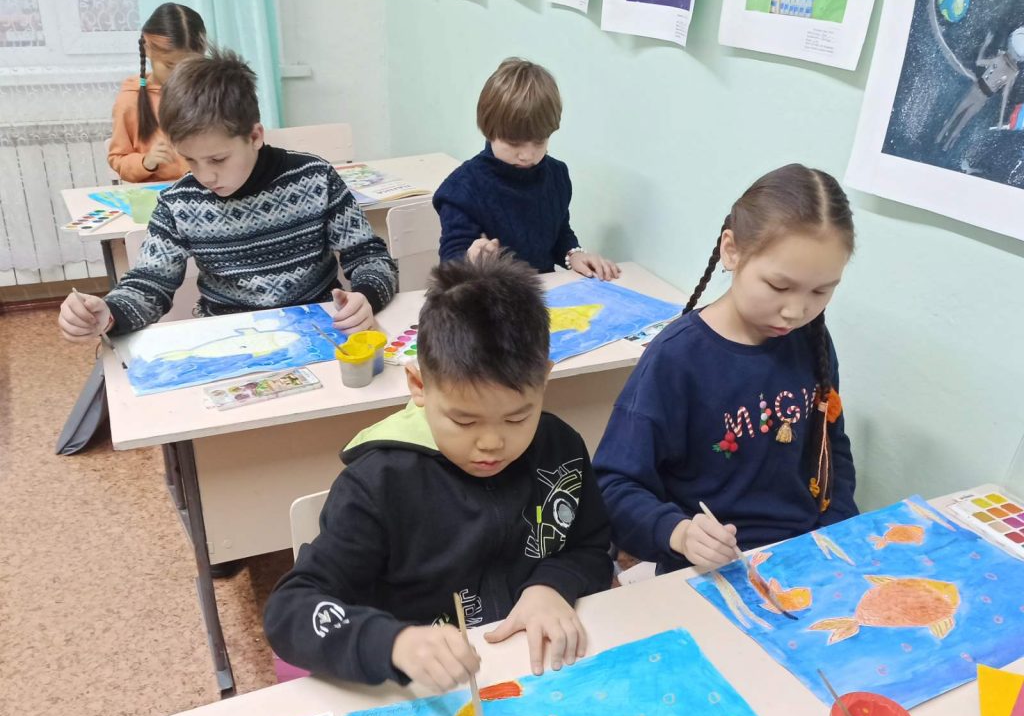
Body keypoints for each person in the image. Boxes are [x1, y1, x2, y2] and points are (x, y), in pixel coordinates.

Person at [264, 254, 613, 689]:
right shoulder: (379, 484)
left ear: (544, 379)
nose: (491, 443)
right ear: (419, 386)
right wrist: (393, 643)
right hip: (423, 691)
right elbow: (290, 611)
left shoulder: (561, 447)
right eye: (464, 421)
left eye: (517, 417)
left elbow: (592, 546)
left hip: (532, 670)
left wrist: (552, 585)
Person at [594, 163, 858, 574]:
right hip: (708, 569)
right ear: (731, 250)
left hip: (805, 556)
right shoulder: (677, 358)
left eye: (821, 291)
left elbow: (832, 449)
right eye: (779, 286)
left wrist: (838, 530)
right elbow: (613, 486)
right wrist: (681, 534)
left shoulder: (812, 339)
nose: (796, 311)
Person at [58, 50, 397, 340]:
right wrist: (109, 312)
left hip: (317, 330)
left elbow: (369, 256)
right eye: (190, 160)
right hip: (231, 338)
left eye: (218, 159)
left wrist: (365, 296)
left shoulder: (315, 177)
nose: (205, 176)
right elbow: (150, 283)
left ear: (255, 136)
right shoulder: (179, 203)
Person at [434, 58, 620, 280]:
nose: (527, 155)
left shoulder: (556, 175)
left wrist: (574, 254)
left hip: (542, 293)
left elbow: (559, 232)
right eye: (514, 143)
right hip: (490, 295)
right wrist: (471, 258)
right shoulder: (461, 189)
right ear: (489, 130)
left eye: (539, 142)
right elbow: (450, 261)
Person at [108, 2, 207, 182]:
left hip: (207, 188)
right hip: (157, 193)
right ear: (147, 48)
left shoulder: (211, 91)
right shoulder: (131, 99)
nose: (179, 73)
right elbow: (118, 159)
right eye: (170, 65)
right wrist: (146, 162)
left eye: (189, 65)